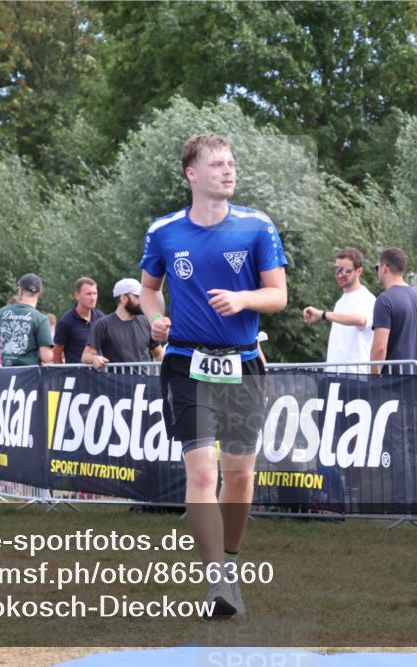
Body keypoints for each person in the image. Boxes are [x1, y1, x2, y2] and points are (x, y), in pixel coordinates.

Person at [139, 133, 287, 618]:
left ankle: (230, 563)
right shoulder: (164, 231)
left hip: (243, 363)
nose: (228, 171)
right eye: (218, 164)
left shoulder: (256, 226)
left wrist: (243, 299)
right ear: (192, 174)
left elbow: (278, 295)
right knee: (203, 471)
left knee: (239, 475)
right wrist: (155, 319)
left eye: (231, 163)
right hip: (187, 362)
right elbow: (148, 289)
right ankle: (217, 583)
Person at [303, 248, 376, 373]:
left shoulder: (367, 298)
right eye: (337, 269)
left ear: (359, 271)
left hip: (356, 374)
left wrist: (322, 315)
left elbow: (361, 320)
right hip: (334, 373)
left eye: (346, 271)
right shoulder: (340, 302)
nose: (340, 275)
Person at [370, 247, 417, 374]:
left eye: (377, 267)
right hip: (415, 380)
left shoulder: (384, 300)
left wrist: (374, 379)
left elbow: (380, 348)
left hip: (391, 381)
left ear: (384, 268)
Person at [81, 278, 164, 370]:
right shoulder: (103, 324)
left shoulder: (146, 322)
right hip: (117, 379)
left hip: (146, 379)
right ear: (124, 298)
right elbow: (86, 356)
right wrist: (94, 358)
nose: (142, 300)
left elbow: (158, 354)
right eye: (137, 296)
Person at [0, 273, 54, 367]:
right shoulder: (41, 319)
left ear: (20, 291)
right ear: (40, 294)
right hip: (30, 374)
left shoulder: (3, 312)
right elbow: (46, 357)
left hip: (6, 373)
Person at [53, 277, 105, 364]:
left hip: (100, 371)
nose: (93, 298)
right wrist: (63, 371)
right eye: (88, 294)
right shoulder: (66, 322)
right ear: (77, 296)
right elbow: (57, 354)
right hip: (76, 371)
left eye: (95, 293)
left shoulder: (101, 317)